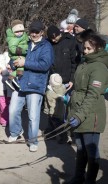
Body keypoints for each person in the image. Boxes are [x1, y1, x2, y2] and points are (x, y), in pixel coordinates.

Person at [65, 34, 108, 184]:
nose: (85, 51)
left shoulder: (100, 67)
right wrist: (71, 112)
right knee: (80, 147)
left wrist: (80, 115)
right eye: (84, 48)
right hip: (78, 111)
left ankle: (90, 181)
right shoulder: (83, 64)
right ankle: (79, 177)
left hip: (91, 113)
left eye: (89, 48)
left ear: (98, 49)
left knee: (91, 150)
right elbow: (78, 89)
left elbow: (92, 95)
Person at [8, 20, 54, 152]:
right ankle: (15, 132)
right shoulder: (25, 43)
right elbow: (15, 57)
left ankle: (33, 141)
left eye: (36, 32)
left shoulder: (46, 46)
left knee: (33, 116)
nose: (33, 34)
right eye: (31, 31)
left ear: (41, 32)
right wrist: (12, 63)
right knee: (13, 111)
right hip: (20, 82)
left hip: (36, 85)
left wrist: (25, 62)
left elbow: (45, 65)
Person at [46, 25, 77, 143]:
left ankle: (67, 133)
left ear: (60, 33)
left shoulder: (69, 41)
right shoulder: (48, 44)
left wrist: (72, 80)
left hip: (66, 82)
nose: (54, 40)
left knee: (65, 109)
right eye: (52, 39)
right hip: (53, 82)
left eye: (56, 37)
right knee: (51, 108)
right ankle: (53, 131)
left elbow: (74, 62)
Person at [5, 19, 29, 90]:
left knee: (21, 69)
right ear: (13, 31)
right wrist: (24, 50)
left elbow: (27, 40)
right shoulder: (13, 38)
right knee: (22, 69)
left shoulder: (24, 36)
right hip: (16, 57)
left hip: (21, 56)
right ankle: (15, 80)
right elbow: (12, 48)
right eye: (17, 32)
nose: (19, 33)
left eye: (21, 31)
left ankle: (10, 79)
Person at [43, 73, 67, 143]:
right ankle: (51, 135)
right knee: (54, 124)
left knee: (57, 125)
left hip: (53, 112)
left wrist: (49, 112)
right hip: (61, 110)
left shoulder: (49, 93)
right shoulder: (62, 87)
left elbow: (51, 104)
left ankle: (63, 138)